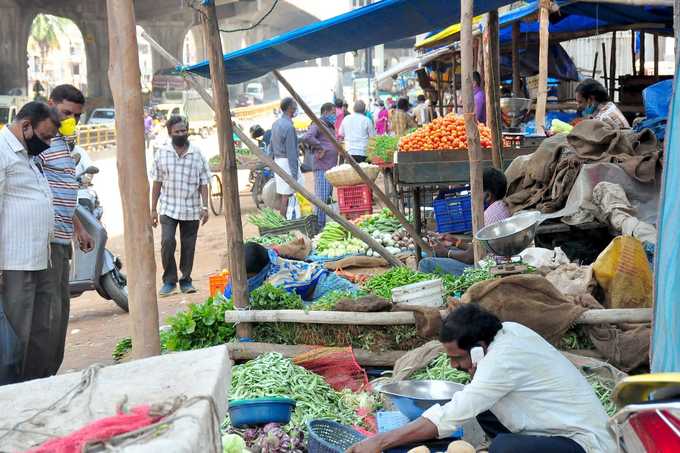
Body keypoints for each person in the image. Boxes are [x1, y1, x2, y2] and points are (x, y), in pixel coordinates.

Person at [348, 304, 616, 453]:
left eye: (457, 358)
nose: (453, 366)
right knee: (485, 408)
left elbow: (451, 414)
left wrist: (380, 441)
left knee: (503, 448)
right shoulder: (508, 331)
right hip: (552, 427)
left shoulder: (503, 360)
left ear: (478, 347)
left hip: (585, 444)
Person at [0, 101, 61, 383]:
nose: (47, 144)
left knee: (41, 332)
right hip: (15, 261)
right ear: (26, 126)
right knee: (17, 336)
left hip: (40, 257)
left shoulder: (28, 155)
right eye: (45, 137)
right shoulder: (2, 151)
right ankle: (14, 394)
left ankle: (36, 387)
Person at [40, 84, 94, 376]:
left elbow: (62, 189)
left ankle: (49, 375)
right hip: (43, 242)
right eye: (65, 113)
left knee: (59, 312)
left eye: (76, 115)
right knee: (46, 315)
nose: (70, 119)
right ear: (50, 104)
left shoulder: (61, 140)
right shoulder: (38, 141)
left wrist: (78, 227)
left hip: (62, 238)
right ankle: (39, 379)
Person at [151, 116, 210, 297]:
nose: (181, 134)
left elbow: (204, 182)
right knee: (167, 242)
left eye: (184, 131)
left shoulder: (197, 154)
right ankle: (169, 281)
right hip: (168, 207)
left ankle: (186, 280)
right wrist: (153, 208)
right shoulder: (162, 153)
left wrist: (205, 207)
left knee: (188, 246)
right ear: (170, 133)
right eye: (177, 131)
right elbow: (157, 182)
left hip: (191, 208)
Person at [418, 168, 511, 276]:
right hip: (490, 264)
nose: (472, 195)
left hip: (485, 270)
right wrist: (454, 242)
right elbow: (478, 249)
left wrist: (446, 253)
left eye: (475, 191)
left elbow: (470, 258)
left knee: (426, 263)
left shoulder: (488, 215)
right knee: (435, 254)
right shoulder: (500, 208)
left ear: (488, 195)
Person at [224, 242, 357, 302]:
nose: (244, 280)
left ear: (260, 271)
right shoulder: (269, 260)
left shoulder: (277, 283)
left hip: (325, 286)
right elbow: (230, 293)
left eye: (248, 277)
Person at [302, 102, 338, 229]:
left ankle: (324, 225)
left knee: (327, 197)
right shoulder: (318, 124)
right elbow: (307, 137)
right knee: (321, 199)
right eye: (333, 113)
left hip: (330, 167)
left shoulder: (329, 126)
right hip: (322, 167)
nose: (335, 115)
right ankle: (319, 226)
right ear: (325, 112)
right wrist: (320, 147)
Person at [270, 97, 303, 218]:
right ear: (290, 108)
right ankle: (290, 221)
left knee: (284, 194)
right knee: (290, 194)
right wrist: (294, 174)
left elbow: (271, 146)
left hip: (278, 162)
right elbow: (291, 153)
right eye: (294, 106)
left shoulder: (275, 124)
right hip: (287, 163)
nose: (295, 108)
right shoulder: (289, 127)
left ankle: (284, 222)